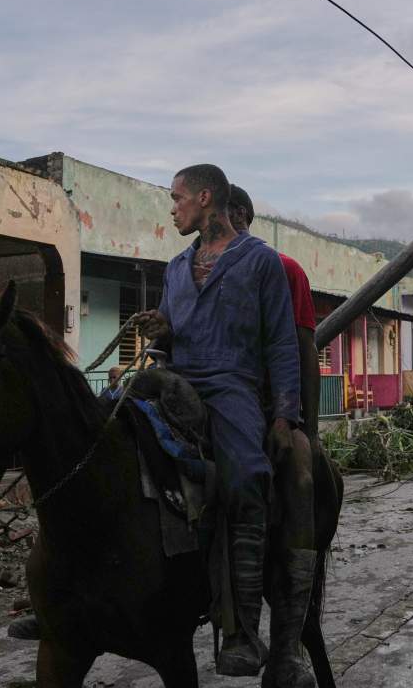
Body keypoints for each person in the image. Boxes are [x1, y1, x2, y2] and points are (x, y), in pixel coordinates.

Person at [138, 164, 299, 677]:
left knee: (248, 475)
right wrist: (159, 328)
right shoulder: (175, 267)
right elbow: (168, 336)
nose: (174, 207)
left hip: (231, 385)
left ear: (206, 198)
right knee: (97, 427)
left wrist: (283, 415)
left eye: (178, 198)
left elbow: (281, 342)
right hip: (175, 379)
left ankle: (242, 631)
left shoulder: (261, 262)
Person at [226, 184, 320, 685]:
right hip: (208, 401)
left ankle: (285, 647)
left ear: (237, 214)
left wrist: (306, 427)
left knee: (300, 477)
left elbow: (303, 349)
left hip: (266, 408)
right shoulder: (188, 265)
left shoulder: (284, 270)